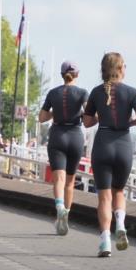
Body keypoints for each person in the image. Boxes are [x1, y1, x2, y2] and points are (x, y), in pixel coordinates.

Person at [82, 52, 136, 257]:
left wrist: (101, 116)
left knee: (104, 197)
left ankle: (105, 243)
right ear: (120, 69)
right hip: (123, 146)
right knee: (118, 191)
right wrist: (129, 123)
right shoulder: (132, 92)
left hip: (102, 146)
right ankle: (120, 223)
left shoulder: (96, 92)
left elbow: (86, 122)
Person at [38, 61, 89, 236]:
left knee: (58, 178)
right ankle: (65, 215)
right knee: (70, 181)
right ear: (77, 74)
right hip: (75, 136)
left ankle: (59, 206)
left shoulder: (53, 93)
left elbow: (42, 117)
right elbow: (89, 115)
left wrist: (56, 112)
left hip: (57, 135)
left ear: (61, 75)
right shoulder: (82, 93)